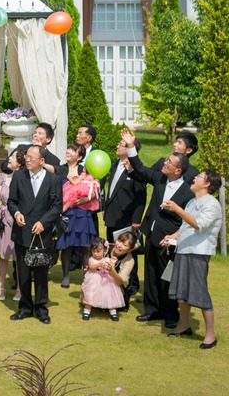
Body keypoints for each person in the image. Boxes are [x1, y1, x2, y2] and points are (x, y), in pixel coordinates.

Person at [122, 131, 193, 327]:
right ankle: (151, 310)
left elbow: (188, 220)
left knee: (167, 277)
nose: (164, 163)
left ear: (177, 171)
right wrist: (130, 146)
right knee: (151, 275)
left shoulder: (187, 192)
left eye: (169, 163)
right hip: (152, 235)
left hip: (169, 241)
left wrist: (174, 237)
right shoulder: (160, 179)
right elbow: (140, 169)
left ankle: (170, 314)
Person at [163, 169, 224, 348]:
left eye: (198, 177)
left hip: (199, 251)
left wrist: (177, 209)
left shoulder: (212, 204)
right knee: (182, 290)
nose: (194, 178)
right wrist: (172, 237)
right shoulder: (191, 202)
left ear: (206, 184)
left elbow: (198, 225)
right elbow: (185, 227)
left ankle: (210, 335)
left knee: (199, 291)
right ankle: (184, 326)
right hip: (184, 249)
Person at [6, 144, 63, 324]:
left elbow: (57, 206)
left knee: (41, 272)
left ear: (42, 160)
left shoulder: (53, 179)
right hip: (22, 230)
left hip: (42, 232)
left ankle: (41, 307)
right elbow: (12, 201)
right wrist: (16, 214)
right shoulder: (18, 176)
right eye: (26, 157)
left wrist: (44, 222)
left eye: (31, 157)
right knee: (22, 272)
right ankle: (25, 307)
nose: (27, 160)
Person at [102, 136, 146, 304]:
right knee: (113, 248)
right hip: (113, 215)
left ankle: (132, 284)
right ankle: (111, 277)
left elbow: (141, 196)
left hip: (127, 217)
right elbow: (111, 189)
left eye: (121, 145)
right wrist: (106, 206)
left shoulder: (136, 169)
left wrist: (136, 219)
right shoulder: (115, 164)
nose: (117, 146)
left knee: (128, 251)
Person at [56, 143, 100, 288]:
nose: (68, 151)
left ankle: (87, 276)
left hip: (82, 213)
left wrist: (86, 199)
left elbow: (95, 187)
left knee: (85, 246)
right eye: (68, 148)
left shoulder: (84, 170)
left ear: (80, 157)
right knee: (66, 245)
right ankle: (66, 275)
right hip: (66, 211)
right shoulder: (60, 169)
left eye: (73, 150)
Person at [0, 149, 23, 302]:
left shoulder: (24, 179)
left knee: (18, 256)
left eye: (13, 156)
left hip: (17, 219)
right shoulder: (4, 177)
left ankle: (20, 288)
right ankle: (1, 287)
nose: (9, 158)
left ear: (20, 162)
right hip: (3, 219)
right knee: (3, 256)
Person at [80, 239, 125, 321]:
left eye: (98, 251)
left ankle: (113, 311)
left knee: (110, 295)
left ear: (105, 251)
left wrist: (109, 267)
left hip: (106, 280)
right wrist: (99, 264)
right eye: (93, 251)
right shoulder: (91, 259)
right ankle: (87, 311)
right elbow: (92, 268)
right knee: (91, 294)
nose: (95, 253)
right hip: (94, 279)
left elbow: (112, 269)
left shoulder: (108, 259)